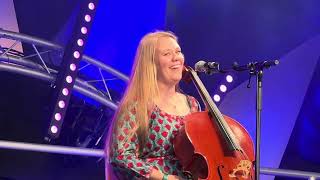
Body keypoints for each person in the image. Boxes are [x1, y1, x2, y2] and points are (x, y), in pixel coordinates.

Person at [105, 31, 201, 180]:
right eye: (167, 54)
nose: (177, 58)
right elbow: (121, 157)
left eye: (178, 51)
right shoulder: (138, 106)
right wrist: (164, 178)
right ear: (151, 64)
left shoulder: (193, 104)